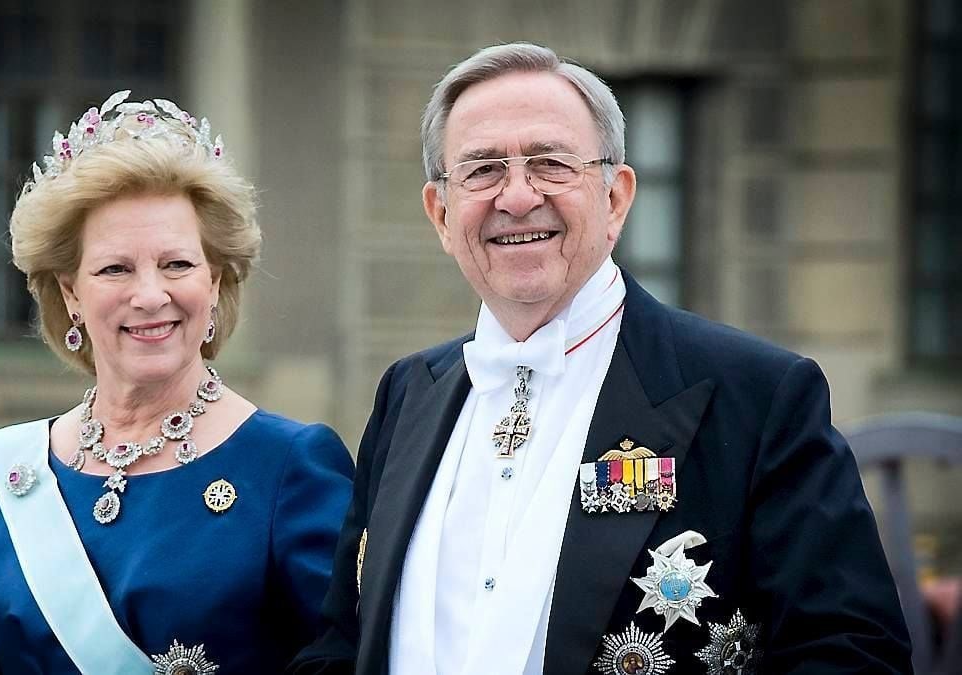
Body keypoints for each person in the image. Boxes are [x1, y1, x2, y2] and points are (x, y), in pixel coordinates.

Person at [292, 43, 912, 675]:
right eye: (481, 170)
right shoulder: (406, 393)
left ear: (616, 198)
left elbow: (852, 653)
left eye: (551, 163)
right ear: (441, 214)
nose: (516, 196)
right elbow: (340, 642)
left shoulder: (759, 395)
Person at [0, 92, 354, 674]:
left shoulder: (290, 466)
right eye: (115, 269)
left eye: (177, 264)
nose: (151, 296)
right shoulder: (2, 473)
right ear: (71, 293)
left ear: (214, 282)